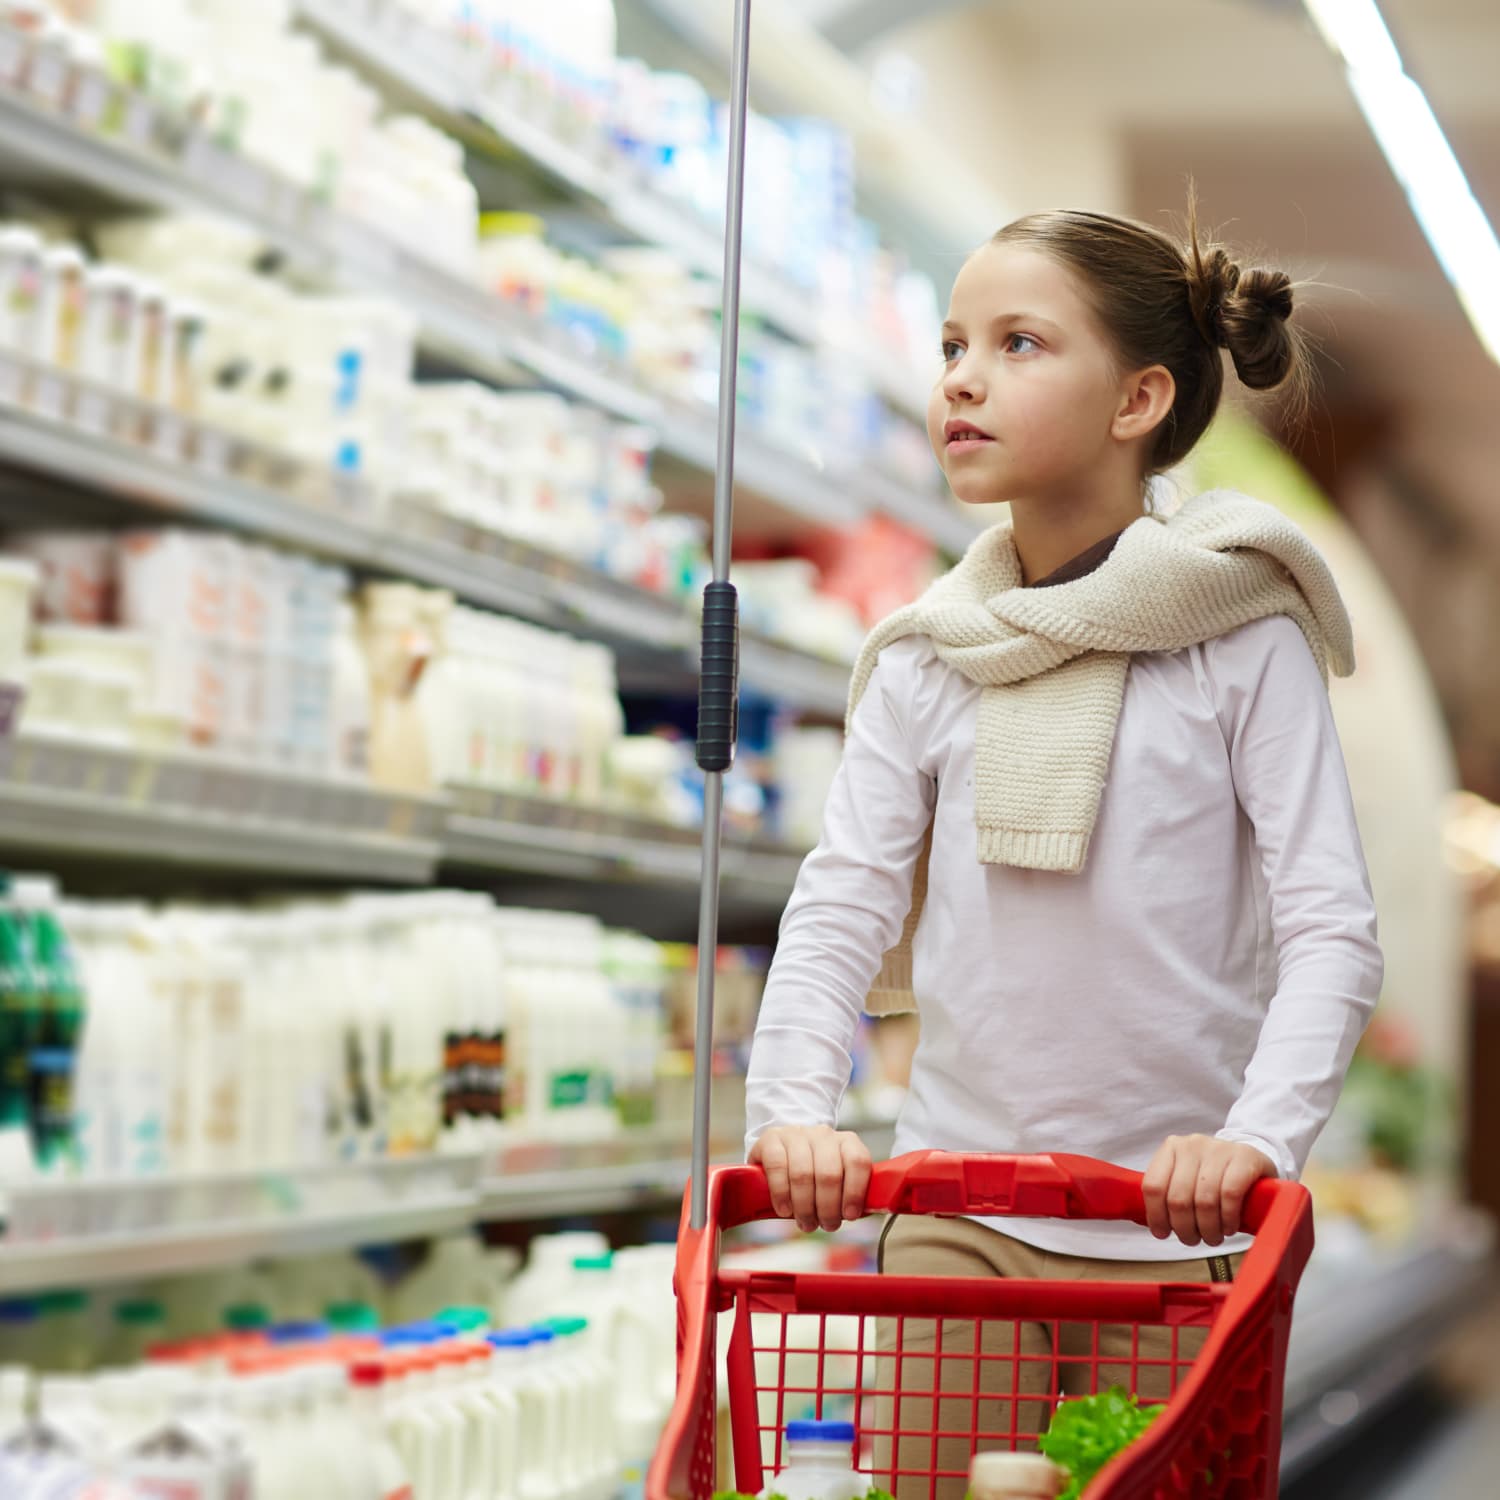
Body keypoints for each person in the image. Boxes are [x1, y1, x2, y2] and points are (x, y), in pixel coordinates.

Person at [741, 201, 1384, 1495]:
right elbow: (841, 907)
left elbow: (1331, 929)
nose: (962, 376)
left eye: (1020, 343)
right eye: (952, 344)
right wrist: (791, 1112)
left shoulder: (1239, 634)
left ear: (1139, 396)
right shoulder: (929, 656)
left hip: (1165, 1225)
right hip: (954, 1215)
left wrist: (1253, 1143)